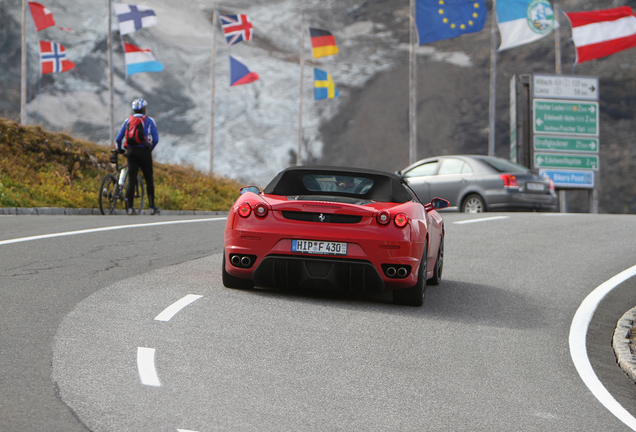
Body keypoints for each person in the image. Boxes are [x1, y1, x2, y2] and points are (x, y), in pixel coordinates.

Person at [115, 97, 160, 215]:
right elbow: (155, 139)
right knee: (149, 179)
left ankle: (130, 208)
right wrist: (150, 148)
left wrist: (120, 149)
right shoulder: (149, 120)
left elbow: (118, 138)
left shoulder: (127, 121)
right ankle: (152, 207)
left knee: (131, 179)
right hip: (144, 152)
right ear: (144, 109)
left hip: (130, 151)